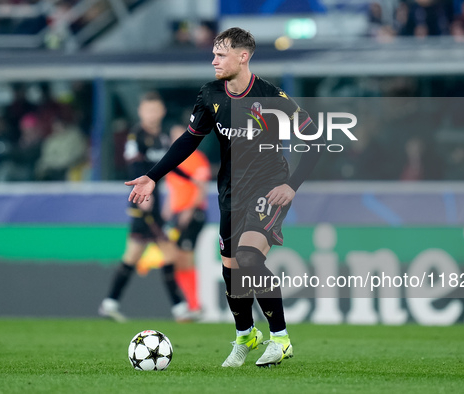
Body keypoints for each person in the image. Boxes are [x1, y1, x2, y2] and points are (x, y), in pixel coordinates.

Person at [124, 28, 324, 367]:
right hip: (231, 191)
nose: (214, 60)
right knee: (232, 271)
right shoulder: (210, 94)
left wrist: (292, 185)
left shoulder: (270, 96)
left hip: (269, 187)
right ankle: (246, 336)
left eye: (221, 54)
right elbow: (189, 141)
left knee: (247, 258)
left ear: (243, 56)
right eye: (214, 54)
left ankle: (280, 338)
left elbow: (315, 139)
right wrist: (153, 176)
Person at [99, 92, 194, 323]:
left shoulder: (161, 137)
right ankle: (180, 309)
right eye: (147, 110)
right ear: (140, 112)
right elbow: (134, 167)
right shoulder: (136, 137)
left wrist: (189, 177)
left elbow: (166, 164)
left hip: (155, 201)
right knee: (169, 253)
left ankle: (109, 303)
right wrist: (144, 196)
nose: (151, 114)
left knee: (132, 255)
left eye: (155, 109)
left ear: (161, 111)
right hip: (143, 203)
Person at [163, 124, 211, 315]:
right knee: (176, 258)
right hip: (177, 214)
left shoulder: (197, 158)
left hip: (193, 213)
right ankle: (189, 305)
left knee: (185, 257)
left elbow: (201, 188)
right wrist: (167, 212)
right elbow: (173, 190)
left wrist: (189, 211)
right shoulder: (172, 160)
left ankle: (193, 305)